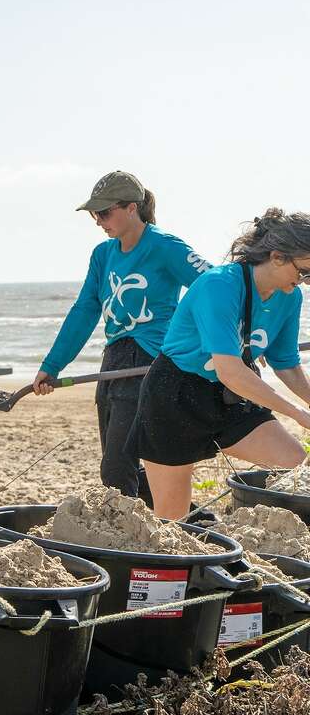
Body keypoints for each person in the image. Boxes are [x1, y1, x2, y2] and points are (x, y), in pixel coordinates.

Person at [33, 171, 210, 499]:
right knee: (124, 461)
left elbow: (214, 287)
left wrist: (211, 340)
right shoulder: (103, 254)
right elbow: (85, 311)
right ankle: (184, 521)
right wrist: (52, 365)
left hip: (150, 360)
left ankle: (129, 538)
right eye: (93, 214)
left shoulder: (165, 247)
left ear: (132, 208)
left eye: (104, 212)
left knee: (115, 467)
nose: (98, 221)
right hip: (113, 360)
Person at [132, 209, 310, 520]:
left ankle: (260, 538)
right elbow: (230, 370)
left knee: (293, 463)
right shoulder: (219, 285)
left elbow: (286, 363)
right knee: (172, 517)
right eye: (306, 272)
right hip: (175, 395)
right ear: (278, 256)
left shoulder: (289, 297)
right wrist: (297, 413)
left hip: (230, 398)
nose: (306, 282)